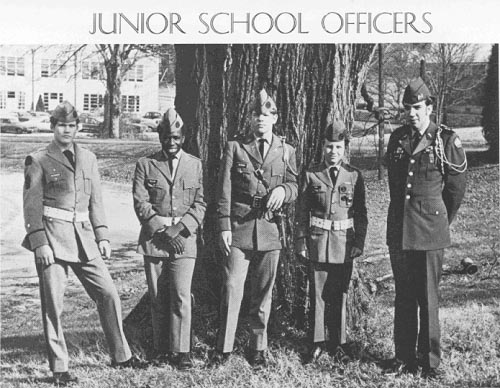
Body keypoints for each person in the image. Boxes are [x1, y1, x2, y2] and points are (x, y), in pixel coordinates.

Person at [22, 101, 146, 386]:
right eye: (61, 125)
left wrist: (102, 235)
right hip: (51, 240)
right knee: (53, 305)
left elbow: (96, 201)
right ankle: (59, 368)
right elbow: (31, 206)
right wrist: (39, 242)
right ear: (53, 127)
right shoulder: (38, 159)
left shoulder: (89, 157)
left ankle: (121, 356)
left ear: (78, 127)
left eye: (71, 125)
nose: (67, 130)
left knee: (109, 294)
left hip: (83, 238)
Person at [382, 78, 467, 378]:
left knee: (428, 297)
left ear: (429, 107)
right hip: (401, 230)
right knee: (404, 295)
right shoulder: (397, 139)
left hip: (430, 231)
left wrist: (439, 220)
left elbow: (455, 191)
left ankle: (430, 363)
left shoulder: (445, 140)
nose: (412, 114)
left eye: (417, 108)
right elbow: (395, 185)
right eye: (408, 108)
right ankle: (403, 357)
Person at [213, 87, 298, 368]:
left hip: (270, 230)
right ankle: (223, 348)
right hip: (239, 227)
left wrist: (284, 191)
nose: (261, 119)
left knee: (263, 292)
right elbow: (223, 189)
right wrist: (224, 225)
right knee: (231, 287)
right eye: (256, 114)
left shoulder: (286, 151)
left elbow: (296, 185)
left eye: (266, 114)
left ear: (275, 118)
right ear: (250, 118)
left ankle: (257, 348)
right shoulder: (235, 147)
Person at [133, 107, 206, 370]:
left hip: (184, 240)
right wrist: (162, 231)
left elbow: (200, 204)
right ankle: (162, 348)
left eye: (176, 138)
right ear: (160, 137)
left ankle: (182, 350)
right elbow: (141, 202)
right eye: (166, 137)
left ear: (183, 138)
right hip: (155, 241)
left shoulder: (195, 164)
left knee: (181, 295)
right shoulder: (146, 165)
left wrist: (179, 230)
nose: (171, 143)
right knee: (157, 297)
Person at [296, 121, 367, 364]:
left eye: (337, 147)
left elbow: (361, 213)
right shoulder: (311, 174)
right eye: (328, 147)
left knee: (341, 295)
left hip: (344, 244)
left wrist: (359, 242)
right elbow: (301, 213)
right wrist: (301, 241)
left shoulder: (354, 176)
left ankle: (339, 342)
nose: (332, 152)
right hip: (317, 243)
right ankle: (316, 342)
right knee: (317, 295)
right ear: (322, 147)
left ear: (344, 148)